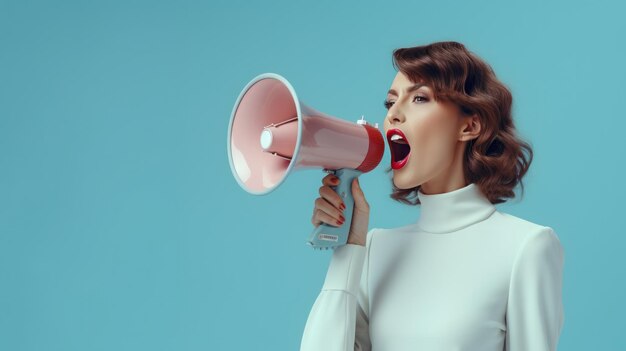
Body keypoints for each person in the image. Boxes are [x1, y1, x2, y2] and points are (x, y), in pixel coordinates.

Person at [300, 41, 565, 351]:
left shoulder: (526, 248)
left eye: (420, 98)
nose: (394, 116)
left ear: (469, 125)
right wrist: (347, 249)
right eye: (390, 103)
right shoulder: (373, 249)